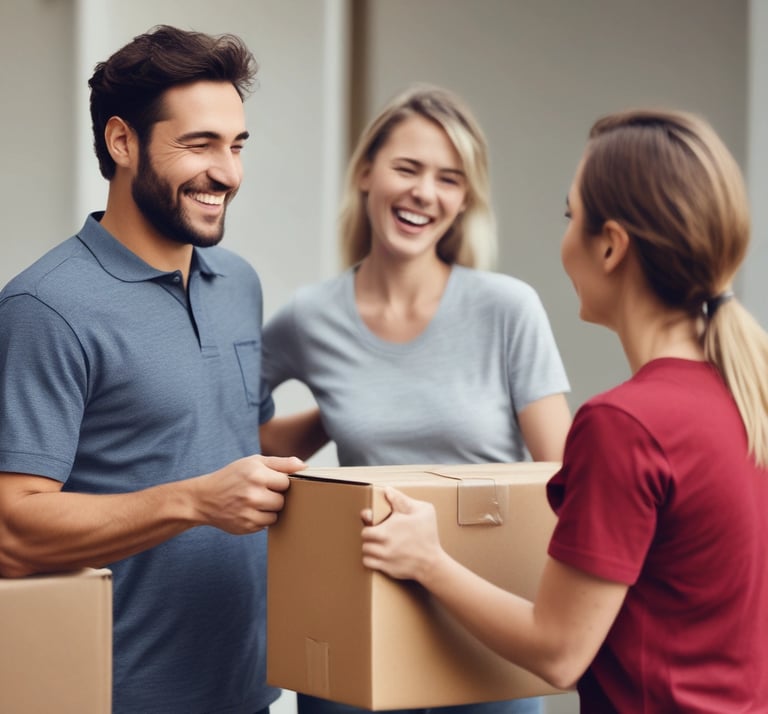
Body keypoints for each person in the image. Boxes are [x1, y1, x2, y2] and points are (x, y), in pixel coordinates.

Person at [360, 109, 768, 712]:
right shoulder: (746, 392)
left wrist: (427, 558)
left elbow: (559, 652)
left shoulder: (625, 426)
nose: (565, 240)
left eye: (570, 216)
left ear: (611, 246)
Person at [0, 25, 314, 714]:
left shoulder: (238, 282)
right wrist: (193, 501)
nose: (227, 173)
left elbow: (238, 448)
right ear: (122, 142)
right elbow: (12, 533)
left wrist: (336, 415)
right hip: (114, 697)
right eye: (199, 145)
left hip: (251, 695)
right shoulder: (44, 307)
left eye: (236, 146)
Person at [260, 85, 572, 714]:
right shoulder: (311, 317)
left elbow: (566, 480)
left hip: (486, 632)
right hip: (359, 615)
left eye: (448, 178)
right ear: (367, 174)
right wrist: (330, 418)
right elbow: (239, 423)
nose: (424, 192)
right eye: (407, 168)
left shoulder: (506, 308)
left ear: (464, 201)